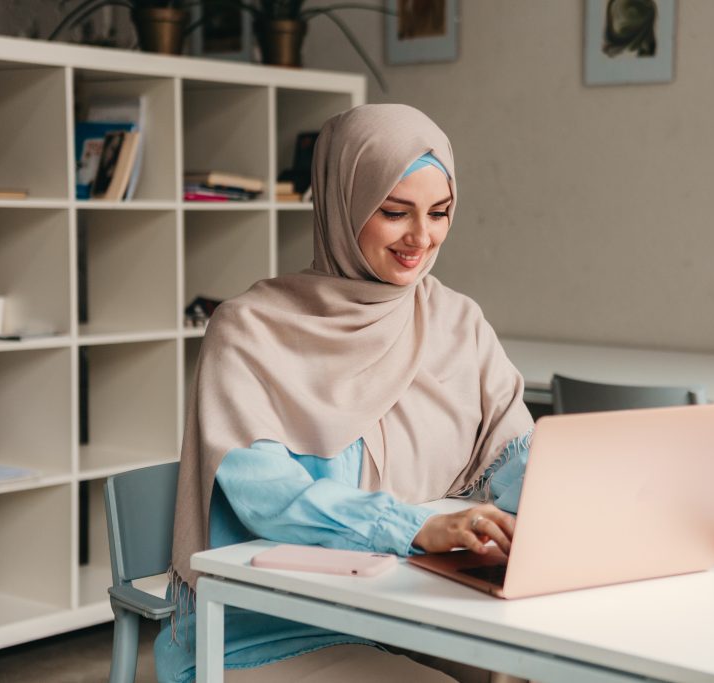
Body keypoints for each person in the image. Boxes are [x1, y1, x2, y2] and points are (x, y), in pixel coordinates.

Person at [156, 104, 534, 683]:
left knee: (543, 668)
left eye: (440, 213)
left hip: (417, 608)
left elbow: (514, 448)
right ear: (342, 204)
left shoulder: (457, 321)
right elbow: (266, 495)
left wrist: (563, 502)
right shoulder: (250, 329)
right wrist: (411, 528)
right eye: (394, 212)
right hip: (276, 624)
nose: (421, 237)